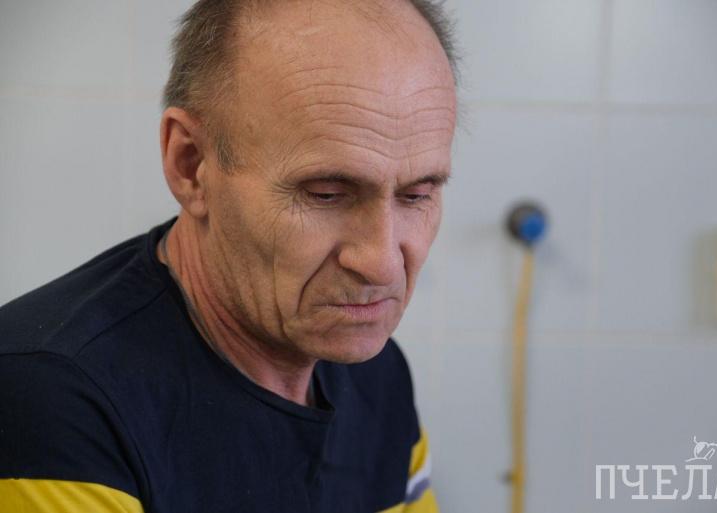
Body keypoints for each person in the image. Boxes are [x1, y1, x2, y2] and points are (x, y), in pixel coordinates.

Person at [0, 0, 457, 511]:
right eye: (326, 194)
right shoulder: (52, 401)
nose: (383, 264)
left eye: (417, 195)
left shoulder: (379, 375)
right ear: (191, 164)